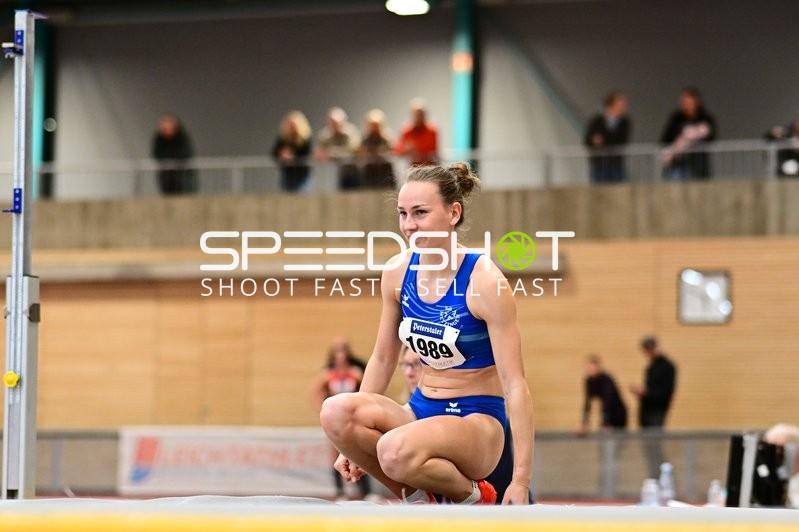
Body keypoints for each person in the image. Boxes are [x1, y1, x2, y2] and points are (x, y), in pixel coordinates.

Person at [320, 163, 534, 505]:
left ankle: (474, 495)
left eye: (420, 213)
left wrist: (520, 480)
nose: (408, 226)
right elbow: (383, 357)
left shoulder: (485, 283)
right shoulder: (396, 273)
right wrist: (352, 448)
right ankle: (421, 501)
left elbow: (515, 385)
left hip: (477, 422)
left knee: (393, 449)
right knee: (335, 412)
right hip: (420, 411)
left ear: (453, 213)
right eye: (403, 214)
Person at [397, 344, 532, 504]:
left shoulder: (484, 425)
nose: (409, 373)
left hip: (484, 506)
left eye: (416, 364)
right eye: (405, 365)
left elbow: (501, 482)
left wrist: (520, 483)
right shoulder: (404, 417)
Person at [309, 336, 374, 501]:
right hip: (335, 419)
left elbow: (367, 391)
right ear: (333, 355)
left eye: (343, 350)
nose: (340, 355)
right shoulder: (327, 375)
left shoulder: (356, 373)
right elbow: (313, 394)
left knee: (358, 450)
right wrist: (322, 409)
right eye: (337, 350)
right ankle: (340, 492)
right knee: (336, 452)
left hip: (353, 417)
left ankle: (366, 492)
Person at [630, 335, 677, 477]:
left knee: (656, 448)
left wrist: (647, 392)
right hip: (646, 413)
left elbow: (664, 393)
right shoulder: (651, 367)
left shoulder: (667, 367)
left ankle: (663, 479)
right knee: (649, 450)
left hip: (657, 412)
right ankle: (655, 478)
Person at [660, 87, 717, 181]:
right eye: (684, 102)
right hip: (678, 164)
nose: (687, 105)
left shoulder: (705, 118)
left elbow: (712, 137)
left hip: (698, 165)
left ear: (696, 102)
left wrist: (697, 135)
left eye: (690, 102)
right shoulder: (676, 118)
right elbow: (665, 138)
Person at [584, 92, 631, 184]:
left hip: (616, 163)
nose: (623, 107)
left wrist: (603, 140)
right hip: (600, 164)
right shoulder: (597, 120)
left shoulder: (625, 122)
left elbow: (622, 141)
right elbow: (589, 140)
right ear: (612, 105)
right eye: (620, 104)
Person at [578, 355, 628, 434]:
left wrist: (606, 422)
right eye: (588, 368)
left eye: (592, 368)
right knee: (603, 437)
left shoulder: (606, 379)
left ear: (598, 368)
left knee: (615, 438)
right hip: (606, 413)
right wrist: (583, 423)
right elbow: (587, 403)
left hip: (617, 413)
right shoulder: (589, 381)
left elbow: (608, 400)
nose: (590, 370)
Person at [315, 107, 362, 190]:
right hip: (332, 175)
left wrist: (330, 153)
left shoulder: (351, 133)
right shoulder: (324, 135)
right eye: (333, 123)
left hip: (353, 172)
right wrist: (341, 152)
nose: (335, 126)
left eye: (337, 123)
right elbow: (319, 153)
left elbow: (353, 151)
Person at [151, 114, 196, 195]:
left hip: (181, 175)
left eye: (169, 127)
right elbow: (156, 153)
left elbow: (185, 153)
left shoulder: (182, 138)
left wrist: (174, 161)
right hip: (166, 175)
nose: (167, 130)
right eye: (165, 128)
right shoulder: (159, 139)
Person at [272, 111, 312, 192]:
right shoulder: (283, 139)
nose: (292, 128)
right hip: (288, 174)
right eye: (290, 125)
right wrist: (282, 154)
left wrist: (293, 156)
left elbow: (307, 153)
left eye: (294, 125)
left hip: (302, 175)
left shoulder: (305, 139)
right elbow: (274, 153)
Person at [358, 109, 396, 189]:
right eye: (372, 125)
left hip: (385, 170)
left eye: (376, 125)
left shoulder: (386, 137)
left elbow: (392, 150)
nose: (374, 128)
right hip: (370, 171)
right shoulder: (365, 139)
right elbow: (360, 152)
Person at [394, 99, 438, 167]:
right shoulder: (406, 130)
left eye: (421, 114)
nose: (418, 117)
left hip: (428, 168)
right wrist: (406, 150)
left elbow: (434, 151)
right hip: (412, 168)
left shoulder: (432, 130)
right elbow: (398, 151)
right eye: (416, 115)